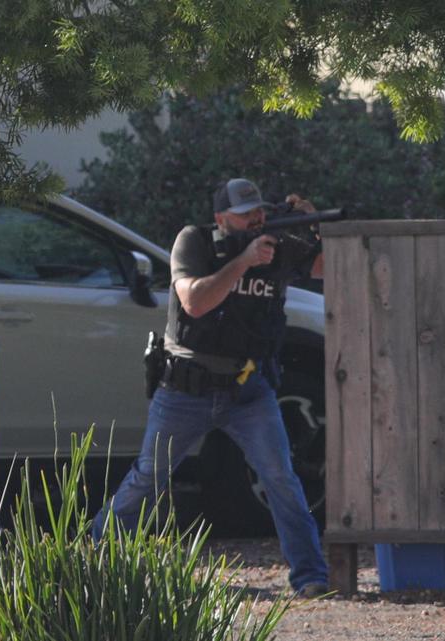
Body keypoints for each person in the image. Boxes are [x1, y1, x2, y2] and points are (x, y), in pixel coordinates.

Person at [93, 177, 329, 598]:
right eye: (243, 216)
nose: (254, 220)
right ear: (221, 218)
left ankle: (311, 576)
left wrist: (311, 226)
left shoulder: (277, 242)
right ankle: (93, 558)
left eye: (258, 212)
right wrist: (243, 261)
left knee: (281, 478)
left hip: (248, 389)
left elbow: (331, 266)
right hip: (186, 387)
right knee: (149, 476)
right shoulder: (195, 242)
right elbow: (195, 302)